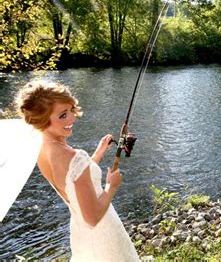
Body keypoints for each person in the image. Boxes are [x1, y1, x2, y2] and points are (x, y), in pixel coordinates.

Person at [14, 80, 139, 261]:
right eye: (63, 115)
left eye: (71, 110)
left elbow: (74, 182)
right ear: (42, 119)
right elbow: (92, 216)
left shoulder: (41, 150)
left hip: (82, 236)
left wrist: (98, 153)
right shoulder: (73, 156)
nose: (72, 119)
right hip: (103, 233)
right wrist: (111, 186)